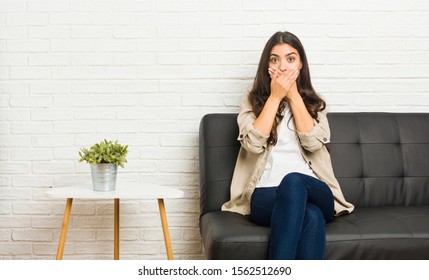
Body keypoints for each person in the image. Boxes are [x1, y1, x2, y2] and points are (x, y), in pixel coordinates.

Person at [221, 31, 354, 260]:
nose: (282, 66)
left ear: (301, 64)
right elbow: (252, 144)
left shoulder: (315, 104)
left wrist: (292, 96)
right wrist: (274, 98)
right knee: (310, 216)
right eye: (275, 59)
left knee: (294, 180)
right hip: (265, 194)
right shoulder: (252, 102)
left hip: (315, 190)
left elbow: (312, 144)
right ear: (267, 65)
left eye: (290, 59)